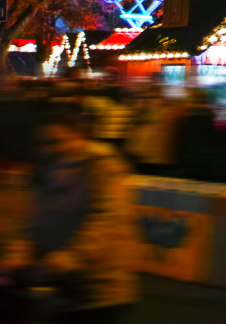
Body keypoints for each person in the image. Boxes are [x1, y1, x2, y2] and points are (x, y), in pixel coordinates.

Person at [3, 110, 139, 323]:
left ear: (79, 136)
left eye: (56, 141)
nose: (48, 149)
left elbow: (106, 220)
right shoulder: (45, 171)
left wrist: (68, 259)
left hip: (98, 290)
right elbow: (30, 222)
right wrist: (18, 253)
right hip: (57, 287)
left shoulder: (102, 165)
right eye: (42, 143)